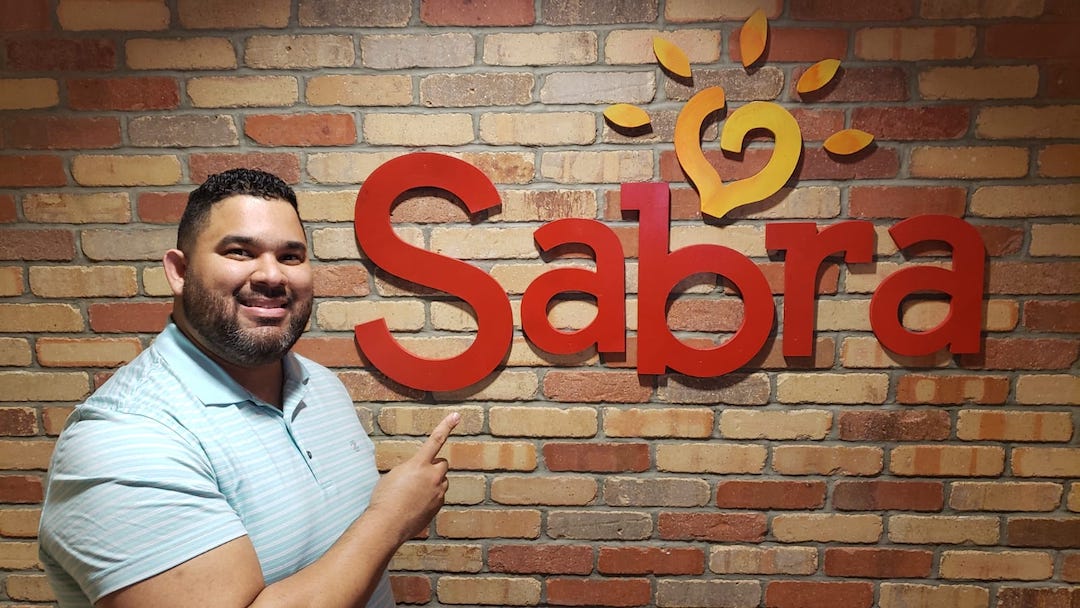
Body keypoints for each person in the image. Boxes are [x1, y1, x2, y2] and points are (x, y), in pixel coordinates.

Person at [38, 168, 459, 607]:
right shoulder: (122, 440)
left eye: (291, 257)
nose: (272, 276)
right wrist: (390, 519)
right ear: (179, 272)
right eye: (240, 251)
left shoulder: (323, 387)